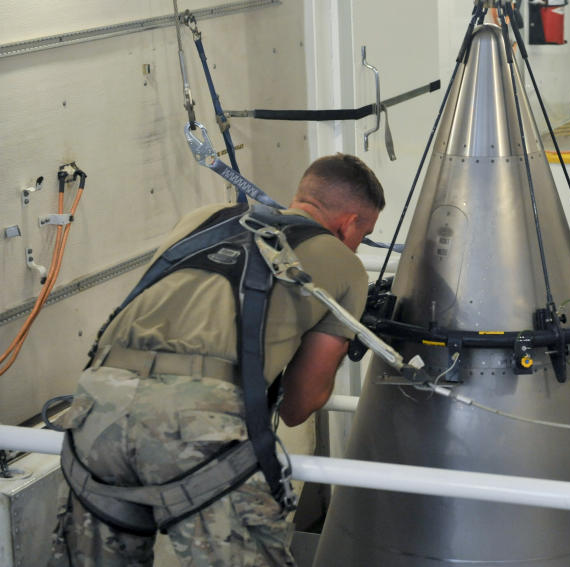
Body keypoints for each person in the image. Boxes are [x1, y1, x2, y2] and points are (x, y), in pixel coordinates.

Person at [48, 153, 385, 567]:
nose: (356, 244)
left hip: (95, 402)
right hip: (195, 419)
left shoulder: (204, 217)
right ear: (349, 223)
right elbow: (300, 405)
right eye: (363, 234)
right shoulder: (346, 265)